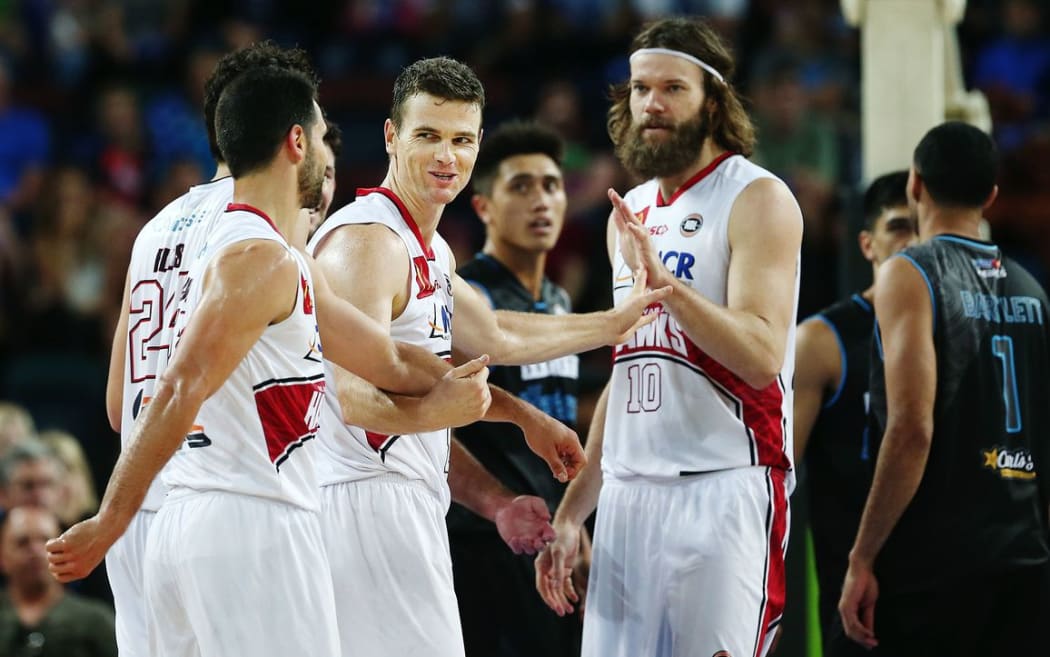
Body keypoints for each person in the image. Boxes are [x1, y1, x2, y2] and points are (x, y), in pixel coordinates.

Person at [47, 63, 489, 657]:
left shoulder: (234, 247)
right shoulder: (259, 258)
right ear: (296, 142)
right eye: (321, 134)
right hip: (247, 515)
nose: (330, 152)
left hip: (186, 511)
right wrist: (107, 520)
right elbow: (178, 388)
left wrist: (489, 404)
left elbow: (383, 355)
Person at [306, 57, 669, 657]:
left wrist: (613, 324)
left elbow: (497, 334)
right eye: (427, 136)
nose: (445, 156)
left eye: (460, 140)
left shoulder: (431, 250)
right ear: (393, 137)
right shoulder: (367, 243)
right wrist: (449, 413)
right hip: (357, 503)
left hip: (401, 500)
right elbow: (342, 395)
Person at [535, 17, 804, 657]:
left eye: (672, 89)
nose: (651, 104)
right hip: (629, 494)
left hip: (723, 486)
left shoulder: (758, 198)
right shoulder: (629, 213)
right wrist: (574, 511)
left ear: (712, 100)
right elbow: (629, 377)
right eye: (639, 89)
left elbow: (762, 357)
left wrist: (669, 287)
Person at [838, 122, 1050, 655]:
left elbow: (911, 427)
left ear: (915, 184)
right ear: (992, 196)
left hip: (937, 562)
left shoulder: (910, 272)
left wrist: (862, 555)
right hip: (1025, 556)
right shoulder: (1033, 289)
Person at [446, 120, 585, 657]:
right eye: (520, 186)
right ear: (483, 207)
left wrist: (573, 514)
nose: (541, 200)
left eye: (551, 185)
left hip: (547, 534)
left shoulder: (558, 302)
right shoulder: (467, 295)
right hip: (481, 536)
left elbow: (562, 418)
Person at [792, 171, 914, 655]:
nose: (916, 242)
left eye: (924, 228)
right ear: (868, 244)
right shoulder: (823, 341)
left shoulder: (961, 330)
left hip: (945, 575)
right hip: (853, 587)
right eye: (901, 228)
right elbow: (775, 474)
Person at [0, 506, 117, 657]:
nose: (36, 551)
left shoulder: (95, 622)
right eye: (22, 542)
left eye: (45, 541)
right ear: (2, 556)